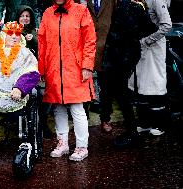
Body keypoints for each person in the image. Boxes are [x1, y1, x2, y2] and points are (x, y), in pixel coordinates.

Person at [38, 0, 96, 161]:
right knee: (58, 107)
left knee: (77, 108)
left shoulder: (81, 11)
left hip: (75, 69)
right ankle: (62, 143)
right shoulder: (47, 13)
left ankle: (82, 146)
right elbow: (42, 43)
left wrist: (87, 66)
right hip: (54, 69)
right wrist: (41, 68)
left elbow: (90, 41)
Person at [102, 0, 159, 147]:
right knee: (122, 93)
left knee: (122, 94)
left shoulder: (130, 6)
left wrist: (131, 36)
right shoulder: (131, 5)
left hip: (121, 57)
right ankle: (131, 131)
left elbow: (150, 28)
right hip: (123, 55)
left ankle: (132, 132)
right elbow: (149, 28)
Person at [128, 0, 172, 136]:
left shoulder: (157, 0)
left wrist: (148, 40)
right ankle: (145, 123)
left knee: (155, 85)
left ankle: (160, 124)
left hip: (153, 48)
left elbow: (166, 25)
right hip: (141, 48)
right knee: (142, 86)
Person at [85, 0, 117, 133]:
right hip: (86, 48)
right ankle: (83, 119)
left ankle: (105, 119)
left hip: (106, 50)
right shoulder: (82, 1)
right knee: (84, 86)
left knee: (106, 88)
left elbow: (116, 18)